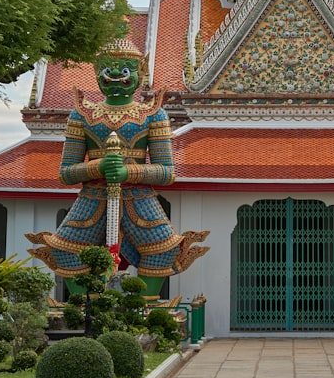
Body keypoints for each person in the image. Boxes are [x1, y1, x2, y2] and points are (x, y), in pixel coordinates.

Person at [27, 29, 208, 297]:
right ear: (96, 74)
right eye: (107, 71)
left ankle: (144, 307)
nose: (115, 77)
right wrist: (96, 167)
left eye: (125, 71)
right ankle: (85, 306)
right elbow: (65, 173)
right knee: (65, 251)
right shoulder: (83, 115)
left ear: (140, 73)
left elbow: (167, 172)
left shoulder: (152, 114)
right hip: (93, 196)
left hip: (140, 198)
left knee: (163, 251)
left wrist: (128, 171)